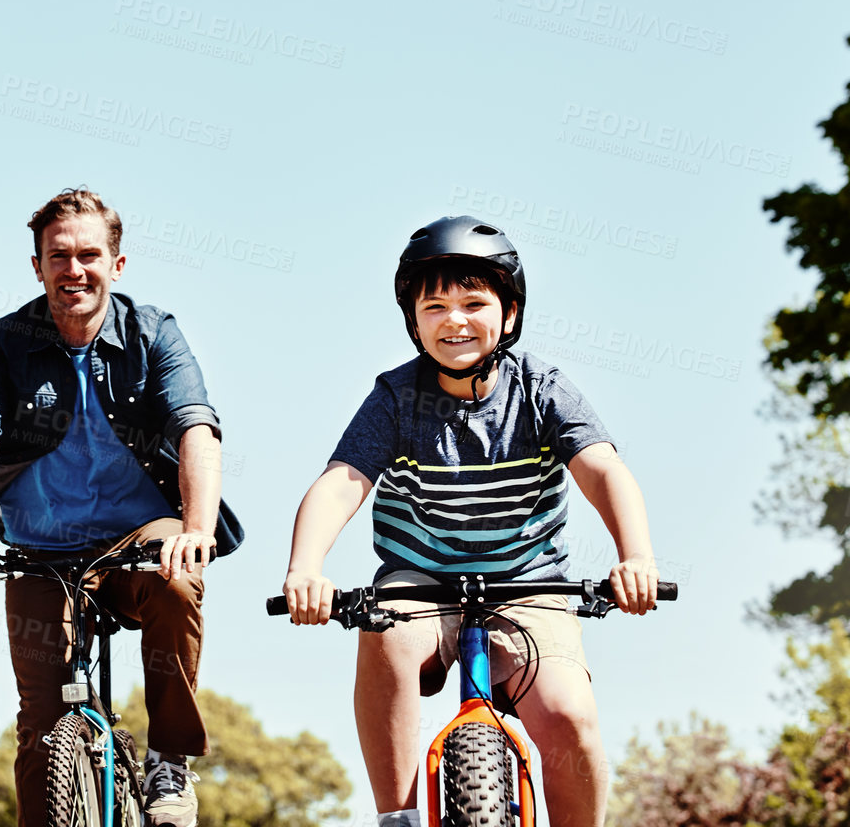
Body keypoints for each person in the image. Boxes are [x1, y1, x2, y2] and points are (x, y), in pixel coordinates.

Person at [280, 216, 660, 827]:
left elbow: (604, 472)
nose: (454, 320)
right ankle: (398, 815)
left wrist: (635, 556)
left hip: (528, 583)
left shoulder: (541, 390)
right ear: (414, 321)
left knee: (568, 716)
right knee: (384, 630)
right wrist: (306, 568)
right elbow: (340, 483)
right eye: (435, 306)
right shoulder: (395, 398)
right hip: (420, 583)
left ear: (509, 314)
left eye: (473, 302)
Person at [0, 187, 243, 827]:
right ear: (38, 265)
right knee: (42, 727)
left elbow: (196, 429)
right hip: (40, 549)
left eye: (89, 255)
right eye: (58, 256)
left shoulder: (153, 334)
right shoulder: (5, 345)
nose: (74, 269)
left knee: (177, 580)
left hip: (138, 535)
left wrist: (196, 529)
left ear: (117, 265)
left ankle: (168, 761)